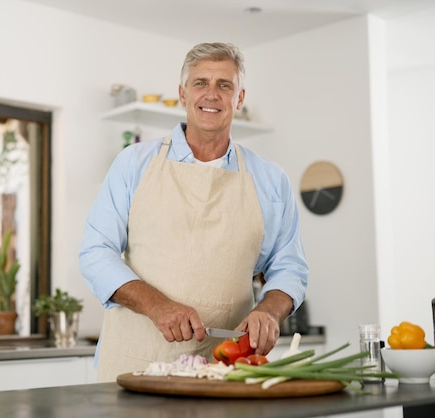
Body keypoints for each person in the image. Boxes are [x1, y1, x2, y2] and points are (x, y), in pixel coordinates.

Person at [79, 42, 308, 382]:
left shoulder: (271, 180)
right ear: (183, 94)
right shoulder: (133, 163)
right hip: (135, 363)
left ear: (239, 99)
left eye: (224, 85)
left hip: (226, 368)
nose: (211, 94)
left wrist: (269, 312)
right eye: (200, 83)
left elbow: (289, 266)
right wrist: (156, 305)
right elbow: (95, 253)